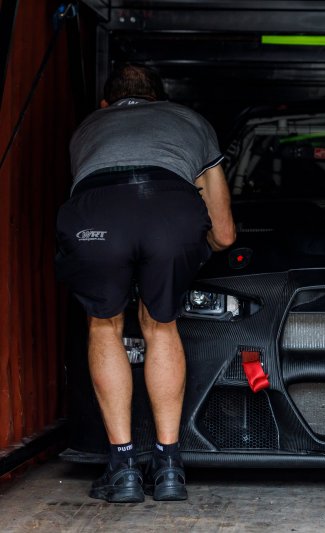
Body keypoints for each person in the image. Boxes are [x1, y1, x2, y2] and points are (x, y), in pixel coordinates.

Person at [56, 64, 236, 503]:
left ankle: (122, 470)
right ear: (162, 100)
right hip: (169, 211)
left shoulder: (89, 126)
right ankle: (169, 467)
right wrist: (195, 245)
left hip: (97, 214)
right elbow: (225, 234)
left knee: (104, 326)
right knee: (161, 324)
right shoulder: (190, 122)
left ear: (107, 104)